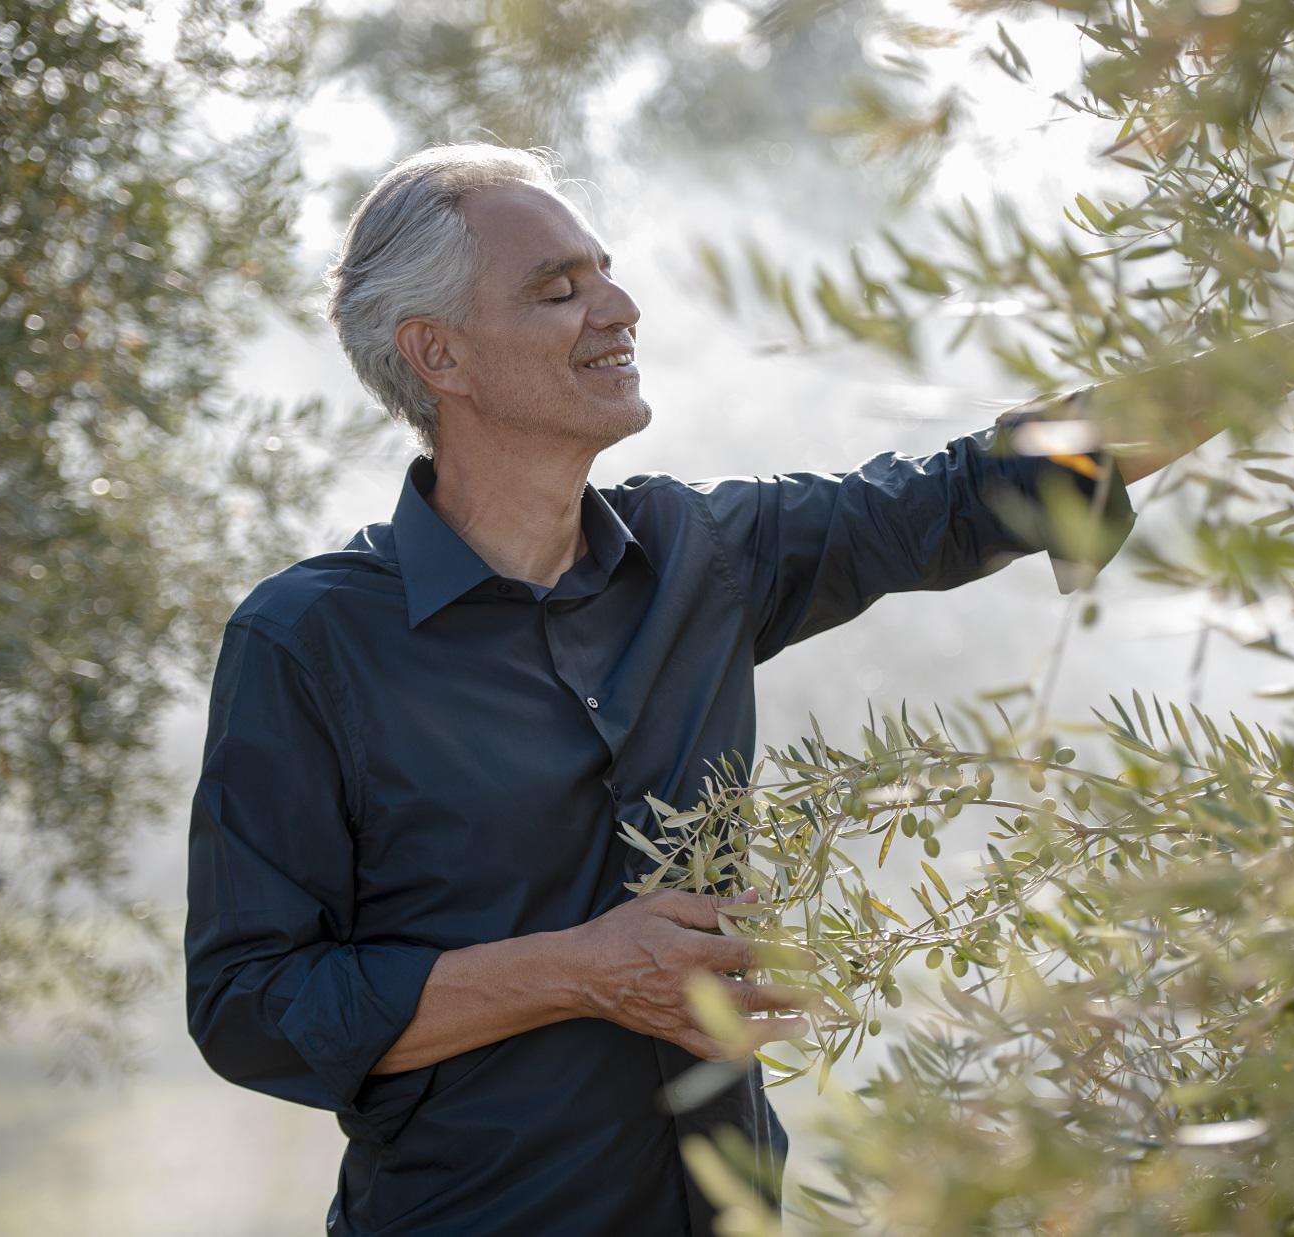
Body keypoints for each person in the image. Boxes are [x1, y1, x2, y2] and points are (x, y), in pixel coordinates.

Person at [183, 143, 1167, 1236]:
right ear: (438, 356)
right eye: (559, 290)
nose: (619, 307)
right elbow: (251, 1008)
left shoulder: (702, 553)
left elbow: (966, 495)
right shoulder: (307, 639)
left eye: (602, 271)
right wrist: (578, 972)